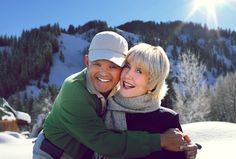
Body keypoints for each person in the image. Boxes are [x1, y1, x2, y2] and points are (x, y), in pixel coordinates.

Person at [33, 31, 189, 159]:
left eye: (113, 66)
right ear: (87, 62)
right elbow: (103, 142)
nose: (104, 72)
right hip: (54, 153)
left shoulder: (120, 89)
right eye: (97, 64)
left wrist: (185, 148)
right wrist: (160, 140)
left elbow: (176, 143)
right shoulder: (74, 90)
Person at [98, 43, 197, 159]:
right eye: (128, 66)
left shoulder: (167, 119)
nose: (128, 75)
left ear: (152, 82)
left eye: (139, 71)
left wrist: (187, 154)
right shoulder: (101, 107)